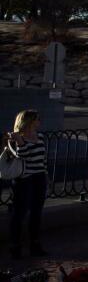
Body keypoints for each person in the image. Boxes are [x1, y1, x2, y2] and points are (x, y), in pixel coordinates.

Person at [5, 110, 47, 259]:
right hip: (24, 180)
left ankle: (35, 244)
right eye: (37, 119)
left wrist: (44, 173)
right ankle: (15, 246)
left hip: (39, 177)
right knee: (20, 213)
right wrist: (20, 142)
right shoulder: (15, 139)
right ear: (29, 121)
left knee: (36, 213)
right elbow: (22, 156)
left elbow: (42, 157)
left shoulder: (40, 137)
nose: (39, 121)